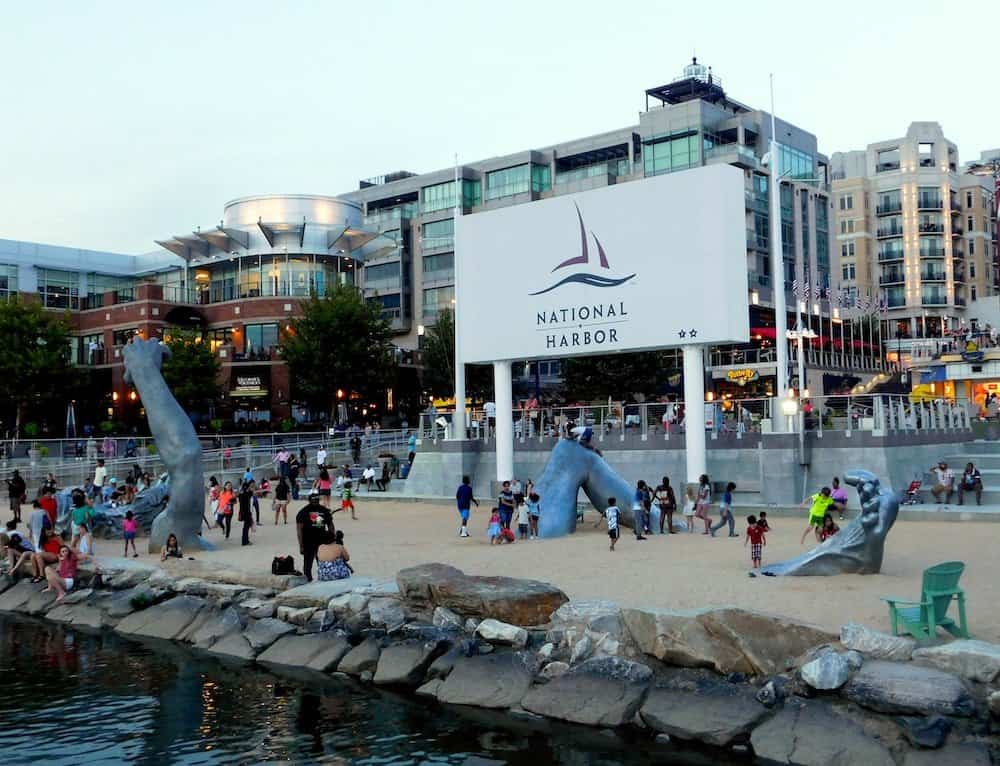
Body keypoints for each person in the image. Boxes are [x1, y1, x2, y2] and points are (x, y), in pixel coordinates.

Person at [296, 493, 335, 581]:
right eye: (314, 501)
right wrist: (301, 545)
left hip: (319, 541)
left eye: (316, 501)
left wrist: (332, 538)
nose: (315, 502)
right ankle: (310, 579)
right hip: (310, 541)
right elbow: (299, 530)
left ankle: (319, 579)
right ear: (310, 501)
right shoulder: (304, 512)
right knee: (309, 564)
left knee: (319, 563)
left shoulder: (305, 511)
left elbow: (331, 526)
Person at [238, 479, 255, 546]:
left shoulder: (241, 495)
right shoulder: (248, 494)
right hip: (247, 512)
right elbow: (252, 491)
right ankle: (245, 541)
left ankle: (245, 541)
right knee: (246, 528)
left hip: (242, 512)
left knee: (245, 527)